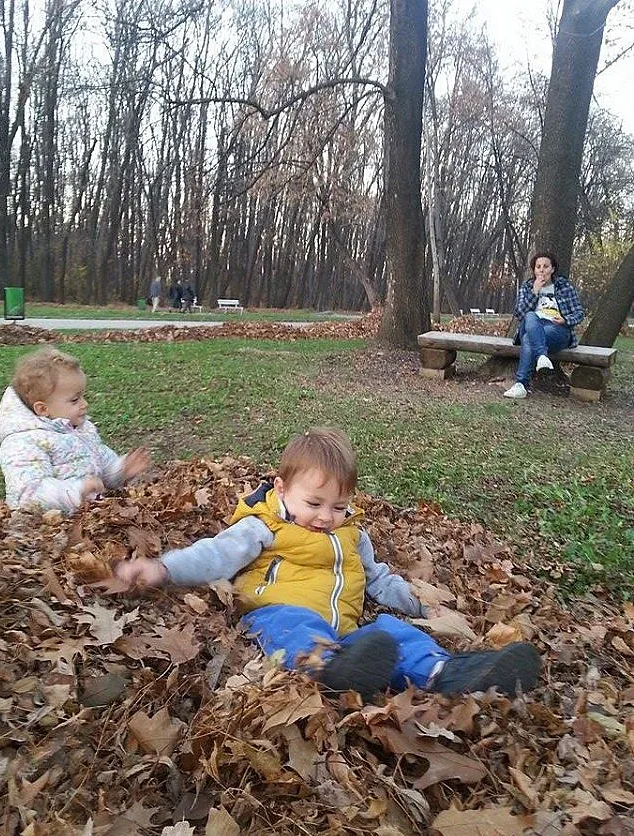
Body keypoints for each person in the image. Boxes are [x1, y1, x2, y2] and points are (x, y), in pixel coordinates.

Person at [115, 427, 540, 701]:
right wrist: (164, 568)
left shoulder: (352, 534)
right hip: (277, 612)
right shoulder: (264, 526)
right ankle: (325, 669)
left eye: (339, 505)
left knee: (392, 632)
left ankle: (452, 671)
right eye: (314, 503)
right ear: (281, 489)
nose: (325, 516)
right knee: (297, 627)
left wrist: (423, 606)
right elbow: (216, 554)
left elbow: (379, 580)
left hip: (349, 635)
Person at [0, 348, 150, 515]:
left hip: (87, 517)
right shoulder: (23, 443)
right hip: (48, 530)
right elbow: (28, 495)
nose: (84, 404)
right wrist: (75, 492)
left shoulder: (79, 431)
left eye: (83, 396)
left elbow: (101, 463)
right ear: (42, 408)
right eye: (75, 400)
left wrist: (120, 470)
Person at [504, 251, 584, 400]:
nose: (541, 270)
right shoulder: (528, 287)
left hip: (557, 329)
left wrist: (566, 320)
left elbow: (579, 312)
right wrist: (535, 291)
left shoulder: (564, 286)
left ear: (552, 269)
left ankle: (521, 385)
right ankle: (541, 355)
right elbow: (519, 313)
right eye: (538, 266)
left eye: (546, 266)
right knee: (529, 316)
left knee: (529, 339)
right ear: (534, 270)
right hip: (531, 324)